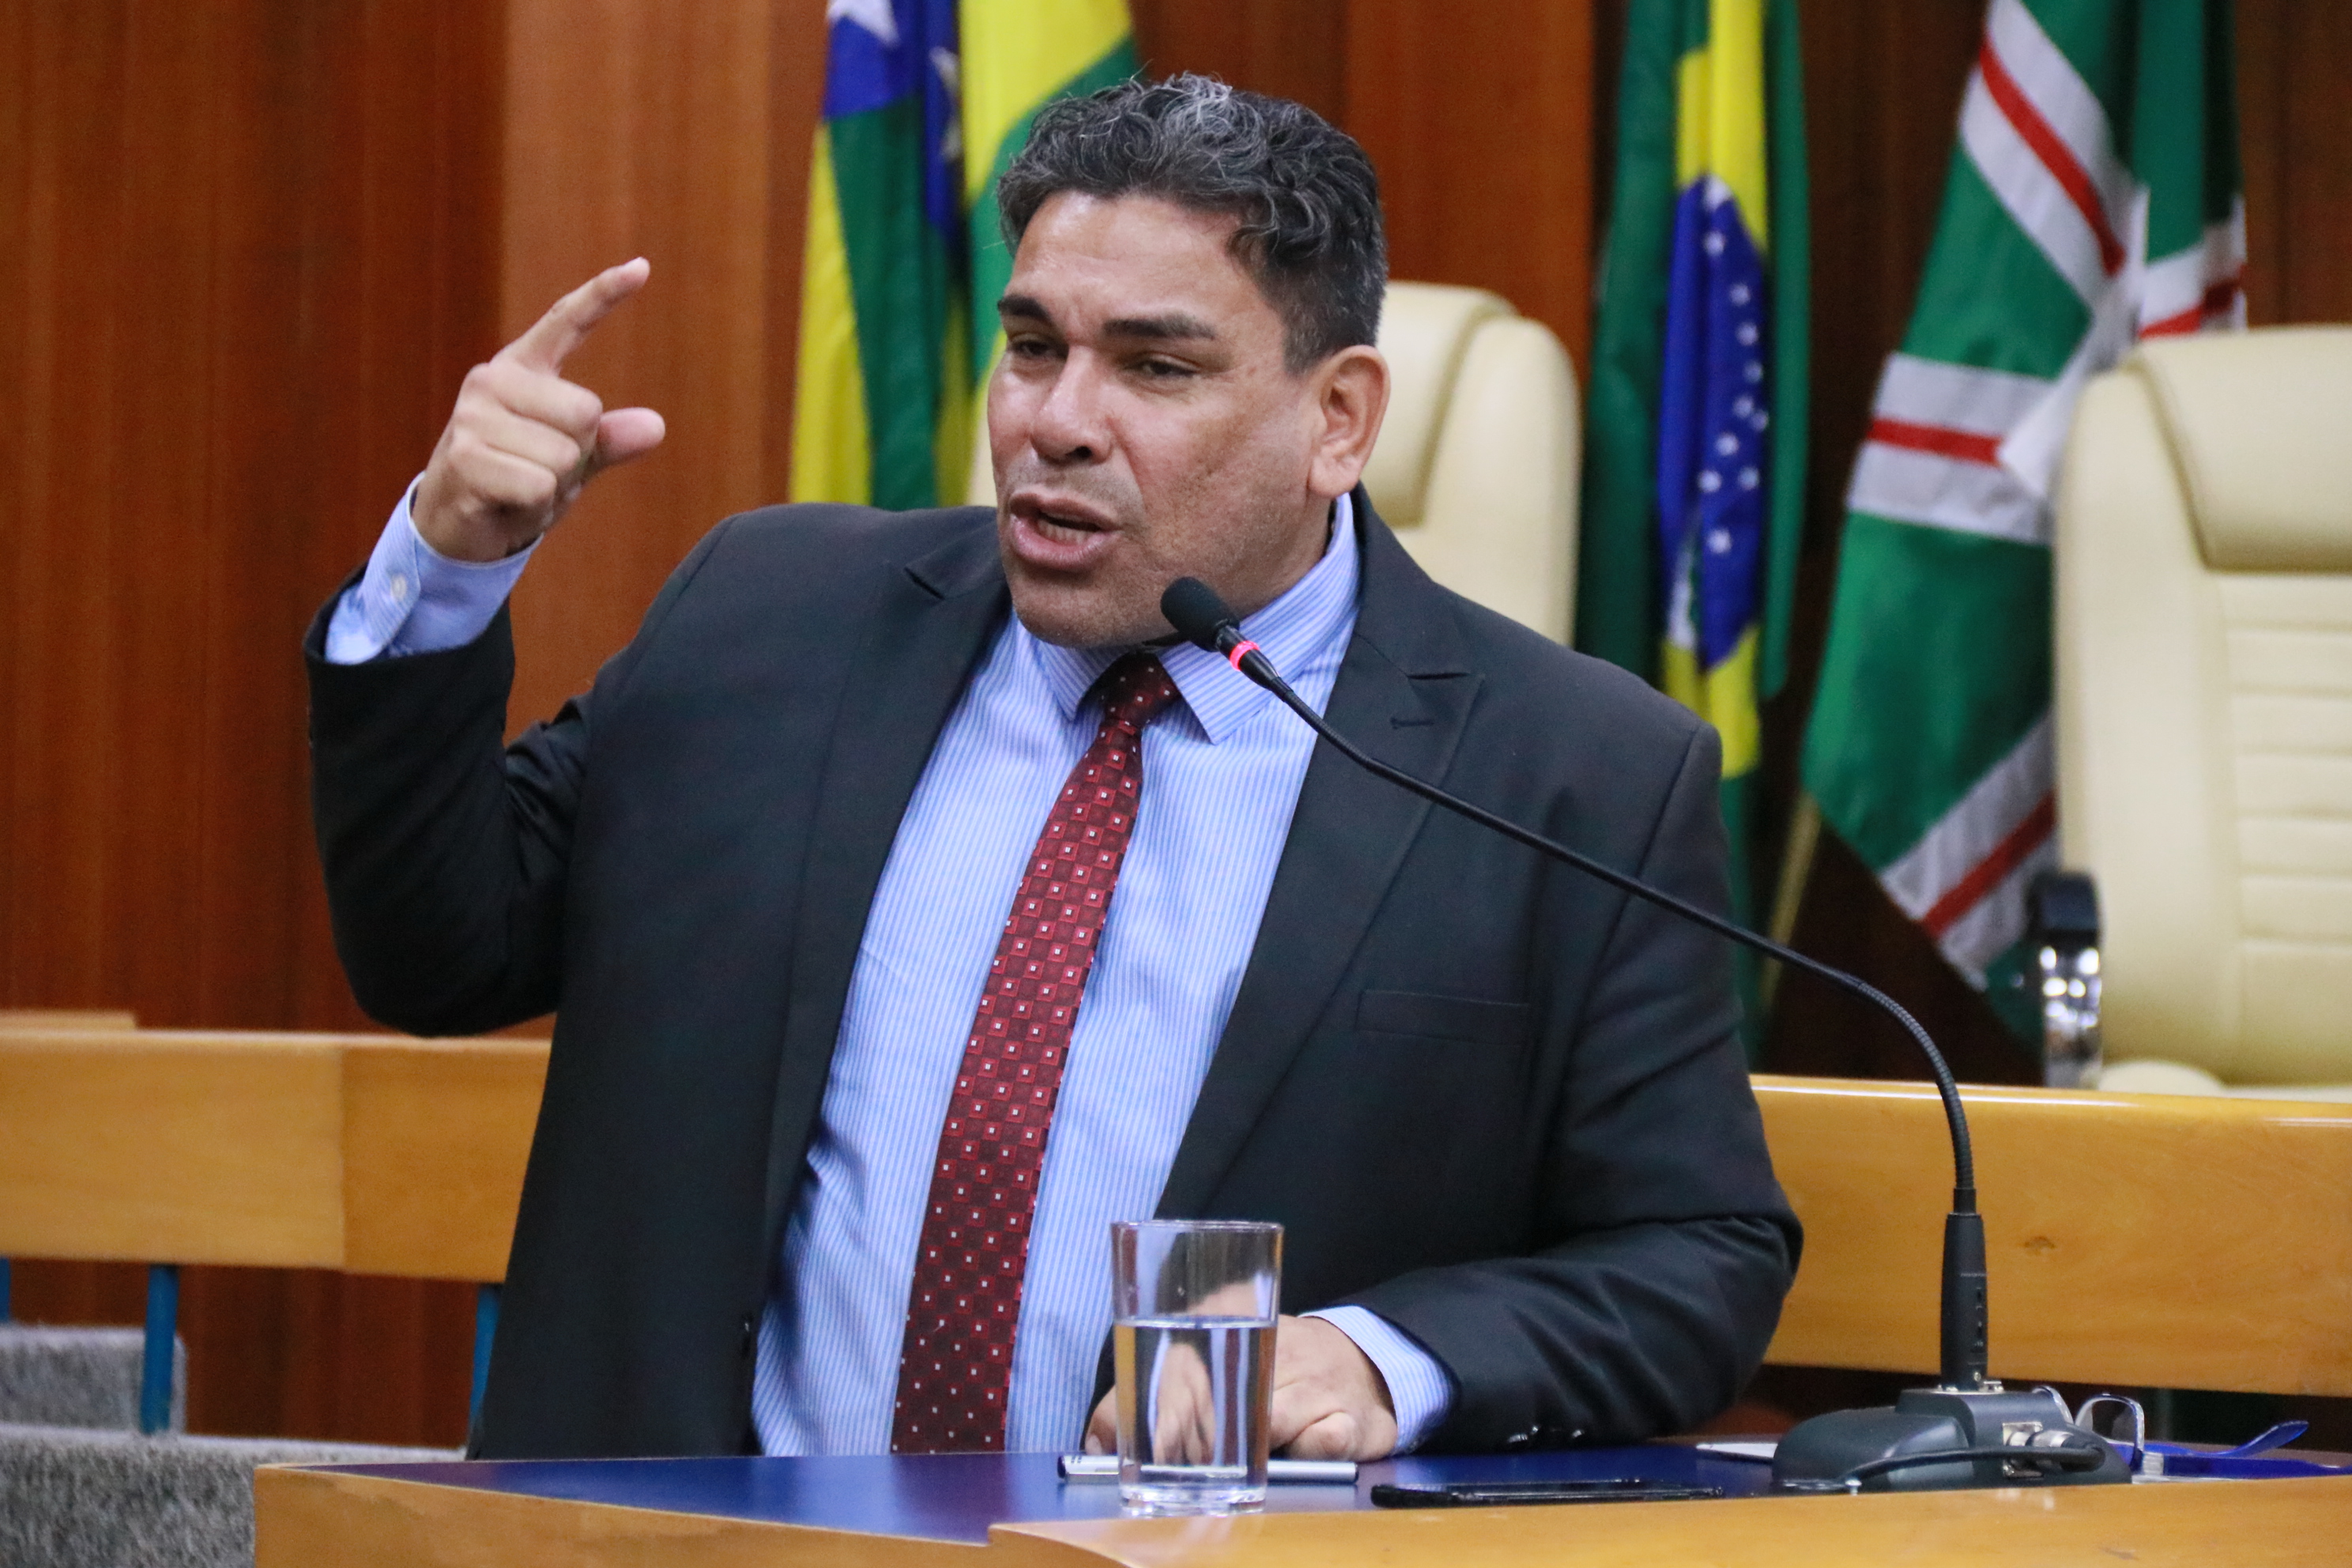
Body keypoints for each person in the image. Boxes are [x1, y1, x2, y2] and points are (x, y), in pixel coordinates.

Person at [307, 76, 1797, 1463]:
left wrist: (1380, 1359)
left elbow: (1695, 1252)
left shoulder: (1569, 774)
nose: (1056, 424)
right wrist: (445, 566)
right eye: (1033, 347)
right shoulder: (770, 617)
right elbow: (440, 951)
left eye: (1156, 366)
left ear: (1338, 419)